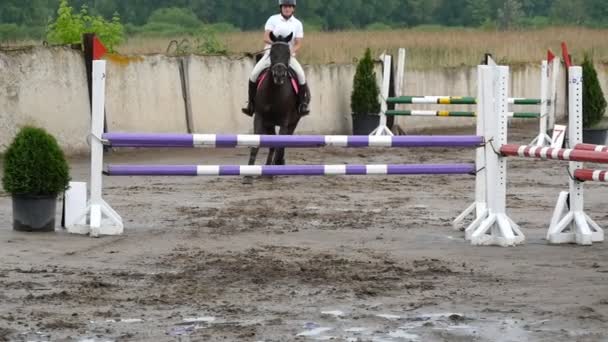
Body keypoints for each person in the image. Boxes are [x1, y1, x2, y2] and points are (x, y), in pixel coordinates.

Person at [242, 0, 310, 116]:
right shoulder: (273, 19)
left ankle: (302, 104)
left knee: (301, 75)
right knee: (253, 75)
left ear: (293, 9)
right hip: (271, 54)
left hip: (287, 56)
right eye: (284, 6)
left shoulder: (297, 23)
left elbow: (298, 43)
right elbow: (266, 37)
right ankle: (251, 104)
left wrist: (290, 51)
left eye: (289, 7)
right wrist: (278, 44)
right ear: (281, 8)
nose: (287, 9)